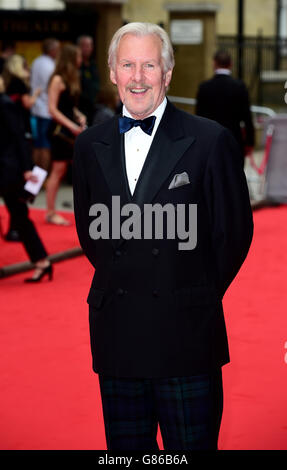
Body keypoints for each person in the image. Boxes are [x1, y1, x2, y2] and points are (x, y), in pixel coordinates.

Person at [73, 23, 253, 451]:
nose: (138, 77)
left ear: (167, 74)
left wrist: (190, 290)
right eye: (128, 65)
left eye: (149, 65)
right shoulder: (88, 145)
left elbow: (234, 235)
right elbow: (90, 231)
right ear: (113, 73)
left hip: (186, 335)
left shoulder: (210, 141)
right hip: (118, 335)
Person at [0, 77, 52, 283]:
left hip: (8, 168)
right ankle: (42, 261)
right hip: (6, 166)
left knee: (19, 215)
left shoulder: (5, 104)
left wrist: (26, 168)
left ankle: (42, 261)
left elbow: (19, 137)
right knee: (19, 215)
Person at [45, 44, 86, 226]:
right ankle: (51, 211)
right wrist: (71, 125)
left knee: (74, 170)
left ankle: (80, 209)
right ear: (70, 59)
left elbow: (68, 106)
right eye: (77, 56)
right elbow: (52, 109)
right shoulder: (58, 79)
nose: (81, 59)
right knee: (58, 170)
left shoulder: (72, 78)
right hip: (60, 132)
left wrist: (79, 115)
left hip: (70, 130)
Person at [2, 54, 42, 241]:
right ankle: (16, 228)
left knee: (14, 188)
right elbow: (27, 104)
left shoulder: (8, 85)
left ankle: (15, 227)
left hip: (8, 138)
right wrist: (36, 95)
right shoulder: (20, 85)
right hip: (20, 132)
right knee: (21, 184)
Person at [195, 49, 255, 167]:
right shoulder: (240, 87)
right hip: (234, 140)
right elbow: (247, 117)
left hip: (209, 142)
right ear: (231, 64)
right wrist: (249, 142)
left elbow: (198, 118)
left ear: (214, 63)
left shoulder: (204, 87)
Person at [30, 38, 60, 171]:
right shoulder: (50, 66)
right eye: (57, 49)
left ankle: (37, 177)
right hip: (46, 110)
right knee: (45, 145)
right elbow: (52, 88)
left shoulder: (36, 62)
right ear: (52, 50)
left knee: (38, 144)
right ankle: (42, 176)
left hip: (36, 108)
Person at [77, 35, 100, 125]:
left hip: (92, 106)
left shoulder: (92, 64)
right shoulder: (77, 66)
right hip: (80, 108)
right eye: (86, 46)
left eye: (90, 45)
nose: (89, 48)